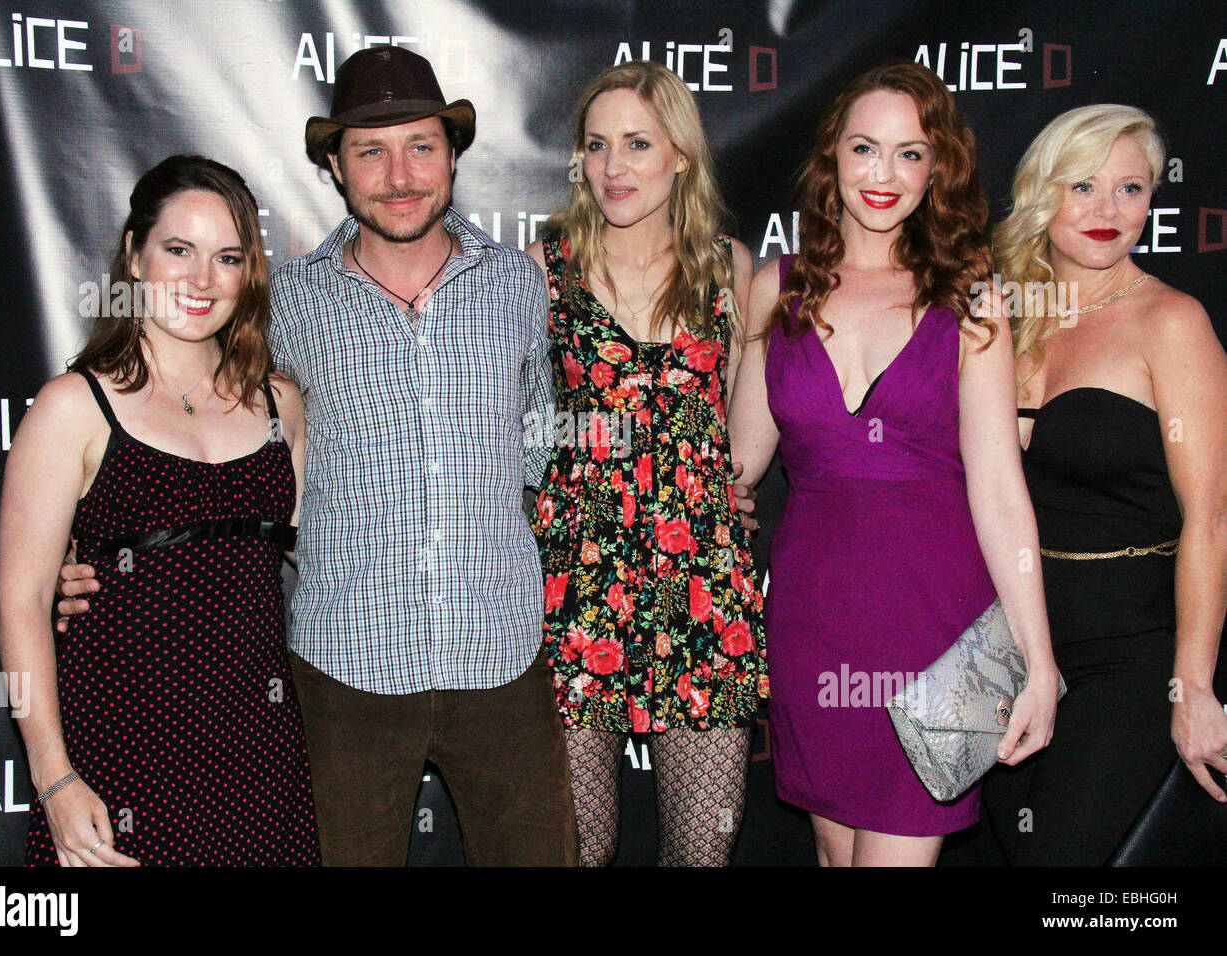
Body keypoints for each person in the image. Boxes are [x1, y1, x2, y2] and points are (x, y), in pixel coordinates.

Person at [61, 46, 578, 866]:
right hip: (343, 673)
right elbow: (190, 426)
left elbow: (538, 450)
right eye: (370, 151)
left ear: (452, 155)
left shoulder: (518, 283)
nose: (399, 174)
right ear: (336, 167)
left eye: (421, 146)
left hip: (502, 662)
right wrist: (84, 555)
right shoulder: (285, 303)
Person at [727, 62, 1059, 866]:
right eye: (865, 148)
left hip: (935, 631)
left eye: (910, 154)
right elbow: (736, 464)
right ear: (831, 156)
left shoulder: (968, 294)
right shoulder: (777, 288)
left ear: (937, 168)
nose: (884, 175)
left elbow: (999, 486)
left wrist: (1038, 661)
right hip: (814, 626)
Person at [0, 155, 319, 866]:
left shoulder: (280, 405)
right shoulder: (71, 407)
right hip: (118, 761)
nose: (203, 280)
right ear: (136, 257)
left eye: (227, 257)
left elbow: (319, 553)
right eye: (179, 250)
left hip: (260, 763)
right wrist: (54, 780)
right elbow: (21, 604)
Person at [525, 60, 767, 866]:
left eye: (637, 143)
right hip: (574, 580)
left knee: (704, 851)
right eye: (597, 146)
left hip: (699, 582)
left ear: (682, 157)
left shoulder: (728, 271)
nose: (613, 167)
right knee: (579, 852)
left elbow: (740, 424)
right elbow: (517, 428)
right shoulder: (542, 268)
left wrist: (724, 488)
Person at [979, 105, 1227, 865]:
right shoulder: (1001, 312)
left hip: (1129, 653)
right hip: (1008, 651)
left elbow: (1210, 520)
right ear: (1042, 191)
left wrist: (1192, 686)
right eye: (1082, 185)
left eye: (1131, 188)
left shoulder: (1171, 322)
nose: (1107, 212)